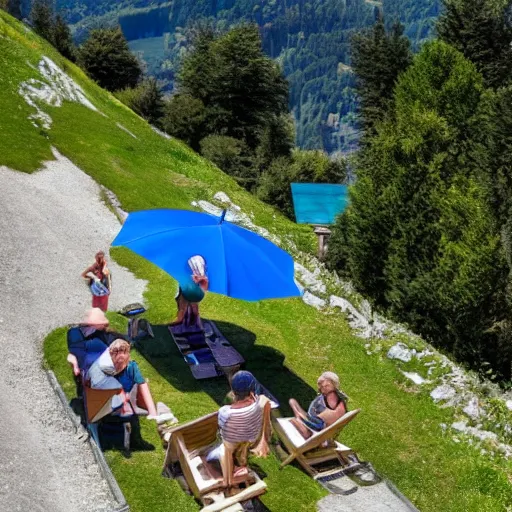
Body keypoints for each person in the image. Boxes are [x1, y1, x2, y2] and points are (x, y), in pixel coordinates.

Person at [206, 371, 271, 484]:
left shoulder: (225, 412)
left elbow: (222, 430)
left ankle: (232, 474)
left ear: (233, 391)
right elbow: (265, 401)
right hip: (250, 440)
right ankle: (240, 464)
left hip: (233, 446)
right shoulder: (259, 403)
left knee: (211, 457)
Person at [289, 371, 348, 439]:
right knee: (293, 403)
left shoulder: (332, 398)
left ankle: (305, 430)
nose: (323, 388)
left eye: (327, 386)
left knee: (292, 419)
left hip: (317, 425)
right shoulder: (329, 396)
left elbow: (325, 418)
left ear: (334, 385)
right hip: (316, 422)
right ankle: (301, 423)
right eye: (322, 387)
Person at [171, 255, 209, 330]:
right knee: (192, 307)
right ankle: (193, 321)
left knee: (185, 307)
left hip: (191, 290)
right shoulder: (199, 276)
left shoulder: (192, 277)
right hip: (193, 289)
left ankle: (184, 320)